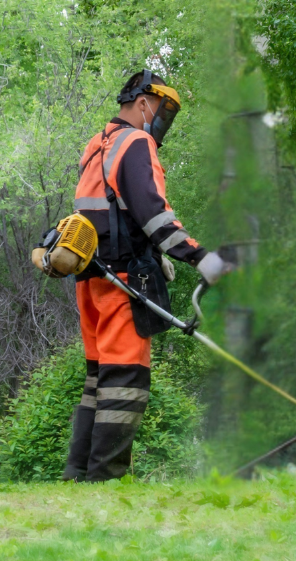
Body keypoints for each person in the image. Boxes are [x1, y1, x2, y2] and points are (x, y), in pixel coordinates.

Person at [62, 69, 228, 482]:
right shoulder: (136, 142)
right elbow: (153, 212)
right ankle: (105, 480)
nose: (160, 123)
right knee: (125, 382)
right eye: (161, 112)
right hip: (121, 281)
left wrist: (155, 252)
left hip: (90, 277)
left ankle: (77, 474)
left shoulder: (97, 145)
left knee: (98, 381)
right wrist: (196, 256)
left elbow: (111, 209)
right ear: (142, 104)